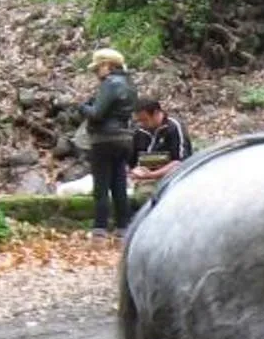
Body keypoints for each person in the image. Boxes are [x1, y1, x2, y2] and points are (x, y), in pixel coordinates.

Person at [80, 46, 139, 231]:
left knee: (102, 186)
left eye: (97, 68)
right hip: (125, 138)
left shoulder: (110, 83)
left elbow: (97, 114)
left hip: (104, 139)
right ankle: (123, 227)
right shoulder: (130, 84)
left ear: (107, 65)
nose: (96, 72)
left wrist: (83, 107)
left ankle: (100, 229)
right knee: (119, 185)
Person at [128, 89, 190, 200]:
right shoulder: (139, 131)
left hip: (170, 177)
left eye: (145, 120)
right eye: (139, 120)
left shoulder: (173, 127)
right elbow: (131, 161)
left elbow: (180, 162)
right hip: (143, 178)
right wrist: (132, 172)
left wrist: (152, 175)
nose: (142, 124)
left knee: (147, 196)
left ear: (156, 113)